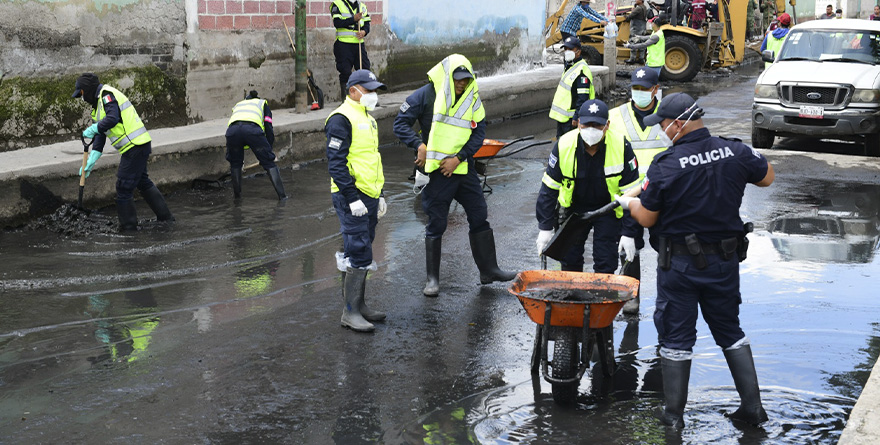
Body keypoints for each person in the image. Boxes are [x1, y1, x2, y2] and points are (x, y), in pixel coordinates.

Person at [618, 93, 775, 428]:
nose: (660, 130)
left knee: (676, 337)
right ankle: (753, 408)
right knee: (730, 330)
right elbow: (767, 177)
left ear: (678, 123)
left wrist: (628, 204)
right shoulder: (735, 151)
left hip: (680, 268)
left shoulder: (667, 164)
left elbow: (646, 218)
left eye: (662, 124)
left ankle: (673, 417)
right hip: (724, 263)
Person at [400, 54, 516, 297]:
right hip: (438, 173)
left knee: (479, 215)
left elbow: (479, 132)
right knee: (437, 223)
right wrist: (418, 145)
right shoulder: (426, 95)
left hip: (463, 169)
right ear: (447, 76)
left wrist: (459, 158)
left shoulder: (472, 98)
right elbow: (400, 124)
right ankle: (432, 279)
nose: (462, 84)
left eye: (466, 79)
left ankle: (489, 270)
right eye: (457, 79)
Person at [535, 100, 641, 274]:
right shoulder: (564, 146)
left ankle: (602, 298)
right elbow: (549, 190)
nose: (591, 130)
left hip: (608, 209)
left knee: (606, 261)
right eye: (586, 124)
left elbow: (632, 194)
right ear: (578, 124)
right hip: (574, 209)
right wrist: (545, 228)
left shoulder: (622, 146)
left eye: (597, 125)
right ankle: (572, 297)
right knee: (569, 259)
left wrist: (629, 232)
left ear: (607, 125)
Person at [325, 69, 388, 332]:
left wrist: (380, 194)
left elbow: (370, 158)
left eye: (374, 90)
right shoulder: (341, 119)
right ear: (353, 91)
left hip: (369, 195)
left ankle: (359, 306)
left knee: (362, 248)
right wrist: (352, 198)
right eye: (369, 89)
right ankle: (349, 312)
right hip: (352, 196)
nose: (373, 95)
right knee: (358, 249)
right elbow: (336, 163)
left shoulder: (367, 118)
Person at [71, 73, 173, 232]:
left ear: (88, 90)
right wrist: (92, 159)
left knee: (123, 187)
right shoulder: (97, 107)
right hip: (136, 146)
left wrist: (94, 128)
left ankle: (129, 229)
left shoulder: (106, 95)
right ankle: (166, 219)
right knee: (142, 181)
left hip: (135, 146)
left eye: (82, 94)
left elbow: (112, 118)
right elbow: (100, 135)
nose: (82, 99)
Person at [607, 67, 669, 314]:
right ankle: (631, 296)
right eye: (636, 88)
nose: (640, 93)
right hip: (627, 192)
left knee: (667, 246)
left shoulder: (669, 116)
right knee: (628, 244)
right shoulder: (616, 116)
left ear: (656, 90)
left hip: (663, 194)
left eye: (645, 89)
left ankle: (668, 296)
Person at [225, 90, 286, 200]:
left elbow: (237, 127)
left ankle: (237, 199)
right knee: (269, 163)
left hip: (232, 133)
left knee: (235, 164)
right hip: (252, 131)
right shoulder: (262, 104)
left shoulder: (239, 104)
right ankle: (283, 197)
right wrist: (268, 150)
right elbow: (268, 127)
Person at [549, 36, 596, 138]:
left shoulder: (581, 70)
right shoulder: (570, 65)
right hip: (563, 118)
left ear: (578, 52)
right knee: (561, 146)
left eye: (570, 49)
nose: (567, 52)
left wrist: (577, 116)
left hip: (571, 120)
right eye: (565, 49)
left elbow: (582, 97)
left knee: (570, 147)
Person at [330, 0, 371, 99]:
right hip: (343, 44)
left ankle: (366, 97)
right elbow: (337, 23)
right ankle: (347, 99)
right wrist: (353, 19)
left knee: (365, 69)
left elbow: (367, 23)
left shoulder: (362, 6)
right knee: (345, 72)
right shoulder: (337, 4)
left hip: (358, 44)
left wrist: (364, 32)